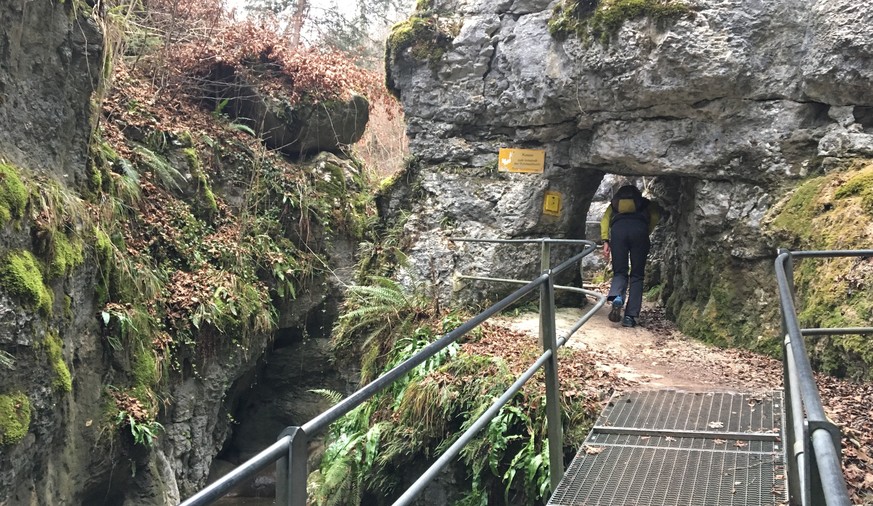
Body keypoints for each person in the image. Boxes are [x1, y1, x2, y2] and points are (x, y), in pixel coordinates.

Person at [600, 184, 661, 328]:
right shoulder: (645, 203)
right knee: (637, 275)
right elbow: (656, 215)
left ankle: (617, 297)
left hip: (618, 231)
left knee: (619, 272)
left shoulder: (614, 204)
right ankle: (630, 316)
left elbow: (604, 220)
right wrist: (647, 230)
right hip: (639, 231)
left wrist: (605, 241)